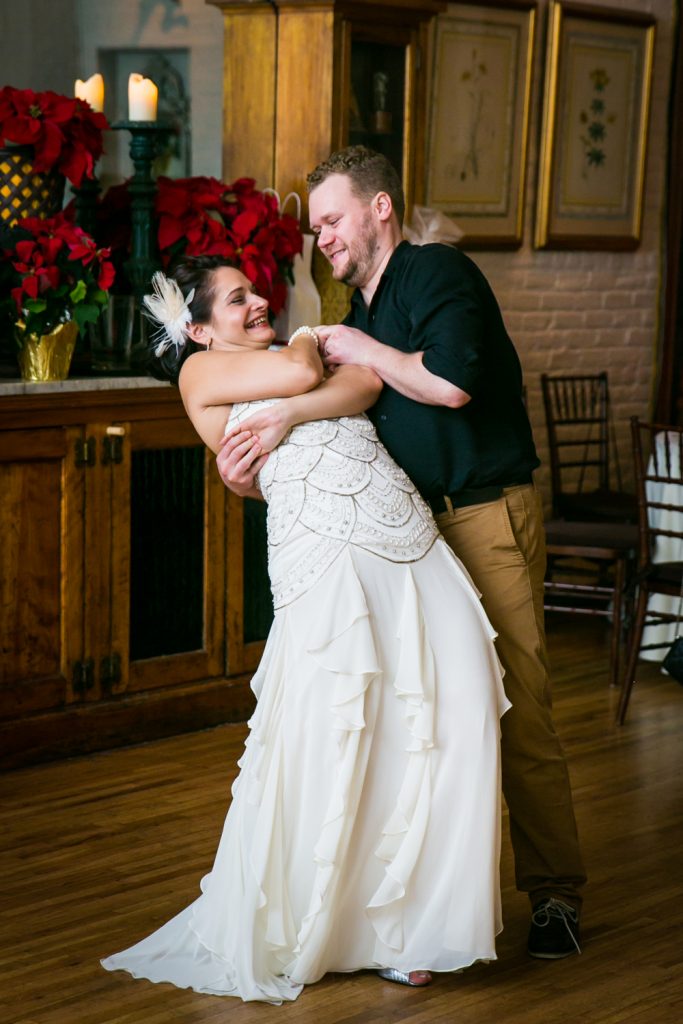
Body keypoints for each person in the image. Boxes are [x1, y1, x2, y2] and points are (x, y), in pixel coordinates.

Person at [100, 255, 511, 1004]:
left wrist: (295, 404)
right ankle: (337, 925)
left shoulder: (293, 356)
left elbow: (365, 382)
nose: (259, 302)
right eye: (236, 300)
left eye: (253, 291)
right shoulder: (203, 377)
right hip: (324, 554)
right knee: (341, 728)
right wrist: (305, 366)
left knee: (452, 702)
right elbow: (308, 374)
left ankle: (411, 921)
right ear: (197, 330)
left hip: (406, 538)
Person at [217, 146, 586, 960]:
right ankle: (437, 909)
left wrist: (361, 349)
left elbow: (449, 384)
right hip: (410, 538)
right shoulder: (361, 307)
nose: (324, 241)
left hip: (484, 515)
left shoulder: (435, 275)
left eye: (334, 220)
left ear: (380, 208)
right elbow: (339, 435)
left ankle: (555, 896)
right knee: (436, 716)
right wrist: (254, 466)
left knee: (516, 708)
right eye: (316, 229)